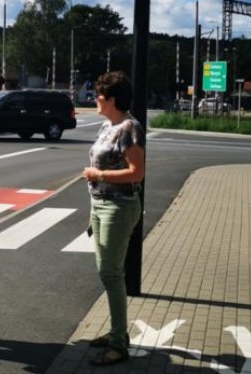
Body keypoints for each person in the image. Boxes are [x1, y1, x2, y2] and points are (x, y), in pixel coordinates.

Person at [81, 71, 145, 367]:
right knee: (108, 272)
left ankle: (119, 342)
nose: (95, 99)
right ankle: (116, 331)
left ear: (112, 100)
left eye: (99, 96)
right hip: (101, 205)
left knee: (111, 273)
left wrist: (99, 174)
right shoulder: (109, 126)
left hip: (118, 207)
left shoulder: (129, 128)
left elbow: (136, 173)